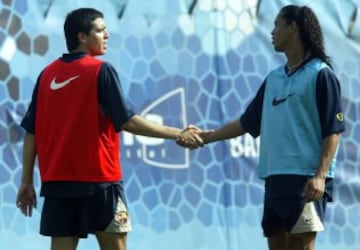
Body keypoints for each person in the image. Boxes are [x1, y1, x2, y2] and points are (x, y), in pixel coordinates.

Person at [16, 8, 202, 250]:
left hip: (57, 186)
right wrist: (178, 133)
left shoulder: (46, 74)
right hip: (101, 184)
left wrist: (26, 181)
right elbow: (127, 121)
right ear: (82, 37)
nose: (107, 35)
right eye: (101, 30)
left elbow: (32, 132)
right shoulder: (100, 70)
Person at [179, 5, 345, 250]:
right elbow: (247, 123)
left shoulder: (321, 75)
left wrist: (320, 175)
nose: (272, 31)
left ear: (293, 28)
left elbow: (333, 130)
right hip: (275, 178)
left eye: (277, 24)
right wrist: (206, 137)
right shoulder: (274, 78)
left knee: (301, 244)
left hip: (306, 180)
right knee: (276, 244)